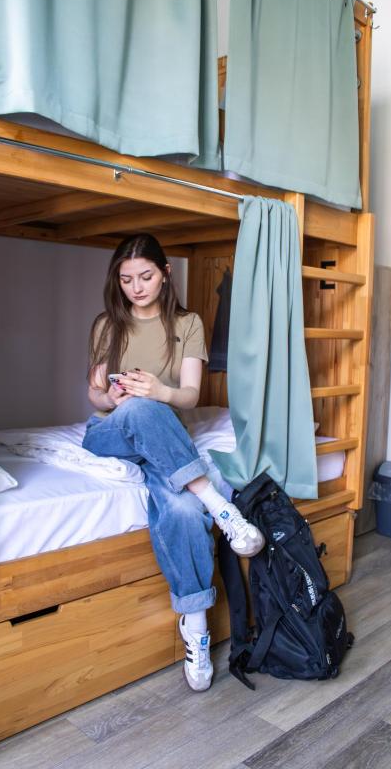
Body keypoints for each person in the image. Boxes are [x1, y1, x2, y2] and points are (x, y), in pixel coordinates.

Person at [82, 233, 264, 692]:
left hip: (163, 437)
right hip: (111, 431)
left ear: (165, 273)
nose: (136, 287)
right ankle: (221, 506)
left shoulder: (188, 324)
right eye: (125, 280)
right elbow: (93, 393)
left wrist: (158, 392)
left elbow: (190, 395)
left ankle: (196, 630)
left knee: (182, 510)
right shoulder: (108, 323)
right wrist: (115, 396)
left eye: (145, 276)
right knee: (138, 411)